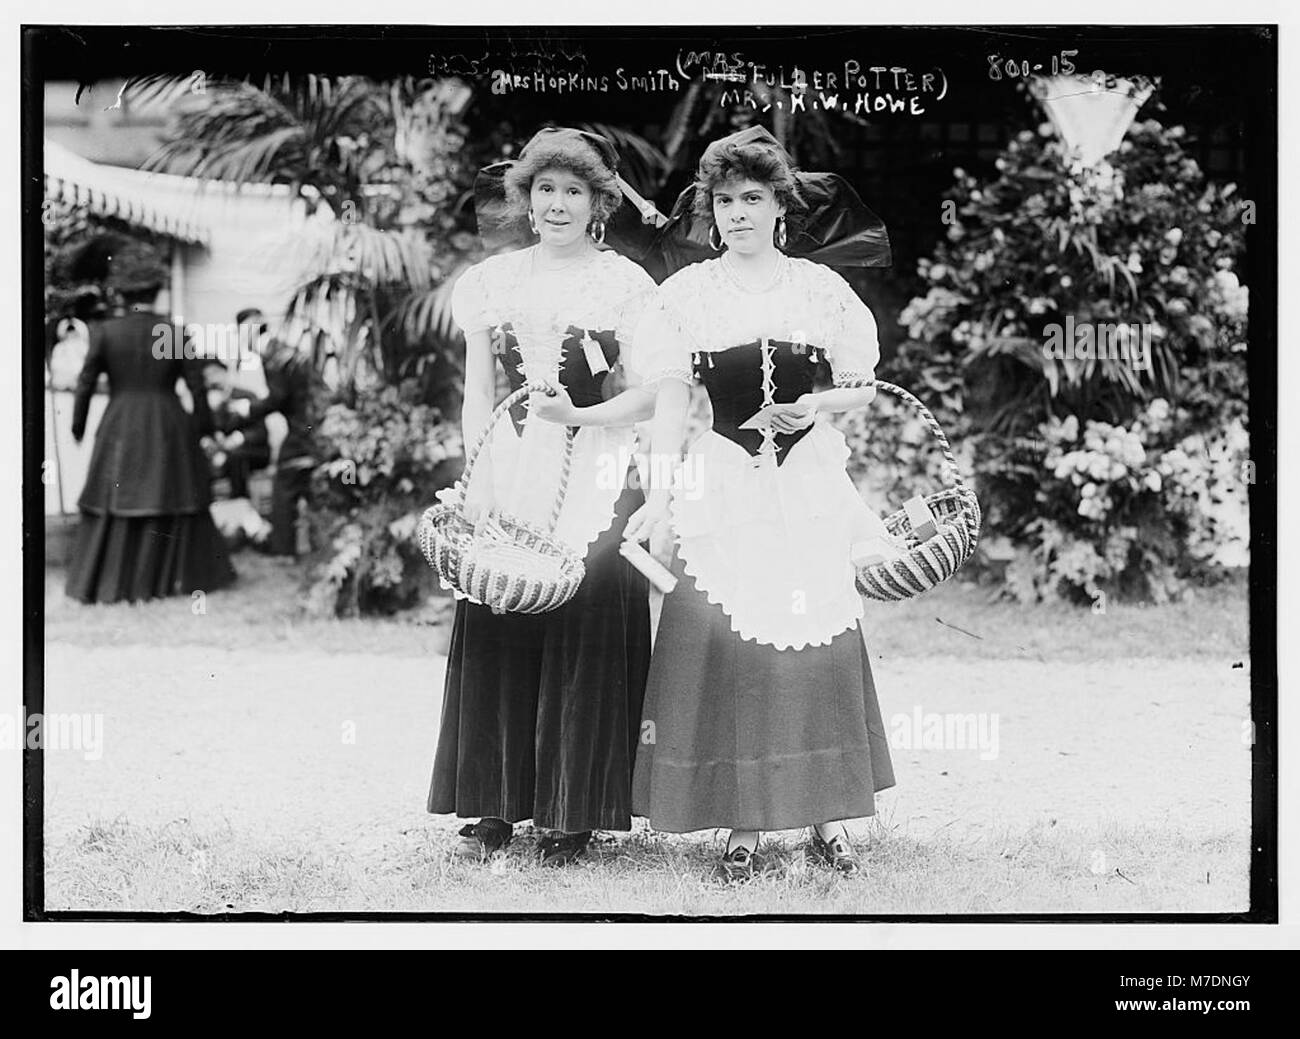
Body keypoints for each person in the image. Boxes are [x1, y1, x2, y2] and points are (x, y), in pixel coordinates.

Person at [623, 125, 900, 878]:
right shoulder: (687, 296)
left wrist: (817, 409)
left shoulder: (820, 290)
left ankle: (829, 816)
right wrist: (658, 497)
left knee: (816, 643)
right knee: (734, 649)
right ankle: (742, 823)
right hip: (725, 486)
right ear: (710, 212)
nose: (738, 213)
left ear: (781, 206)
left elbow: (861, 386)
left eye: (753, 198)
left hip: (805, 484)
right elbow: (671, 408)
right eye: (725, 201)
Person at [426, 127, 658, 866]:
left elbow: (653, 394)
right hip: (512, 462)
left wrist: (585, 420)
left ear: (599, 204)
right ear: (526, 200)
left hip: (596, 464)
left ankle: (573, 809)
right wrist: (476, 478)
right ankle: (497, 801)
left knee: (583, 625)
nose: (557, 204)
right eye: (545, 189)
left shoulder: (626, 285)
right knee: (500, 610)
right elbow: (477, 392)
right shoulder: (493, 280)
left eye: (574, 191)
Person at [65, 241, 237, 603]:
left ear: (122, 293)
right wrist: (205, 429)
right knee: (173, 494)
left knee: (118, 496)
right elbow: (196, 386)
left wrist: (77, 426)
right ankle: (175, 578)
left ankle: (115, 582)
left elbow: (84, 384)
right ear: (157, 291)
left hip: (120, 423)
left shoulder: (106, 332)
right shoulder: (173, 332)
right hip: (167, 422)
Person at [222, 309, 325, 556]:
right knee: (310, 486)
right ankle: (318, 546)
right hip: (312, 428)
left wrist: (248, 409)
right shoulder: (282, 351)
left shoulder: (273, 356)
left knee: (285, 485)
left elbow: (278, 398)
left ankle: (283, 551)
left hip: (303, 431)